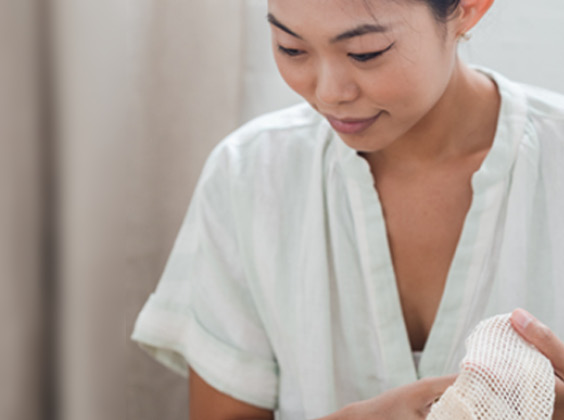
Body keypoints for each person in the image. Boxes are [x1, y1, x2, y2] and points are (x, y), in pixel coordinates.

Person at [128, 0, 564, 418]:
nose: (329, 92)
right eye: (291, 48)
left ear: (468, 8)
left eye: (365, 53)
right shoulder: (250, 173)